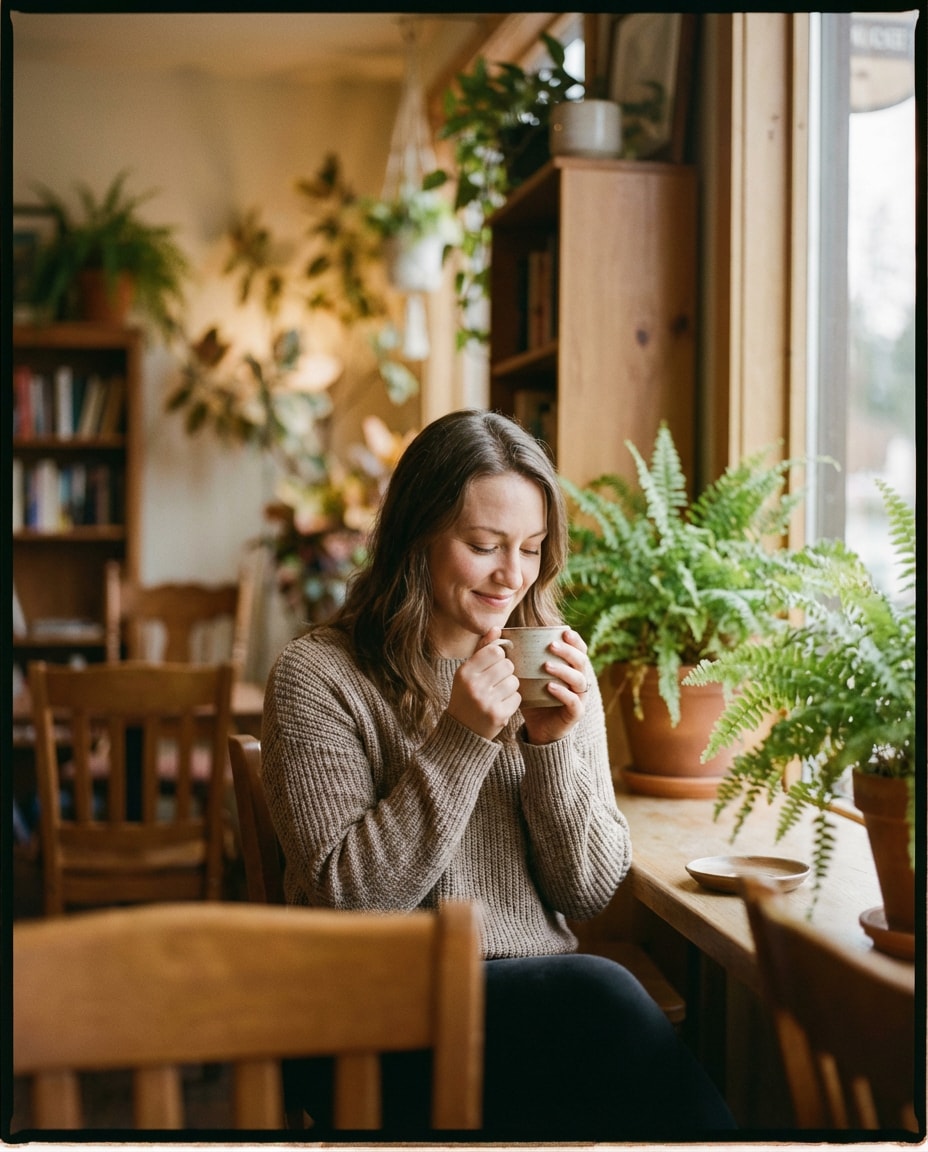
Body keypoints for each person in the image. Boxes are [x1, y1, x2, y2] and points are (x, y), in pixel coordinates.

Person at [262, 408, 736, 1141]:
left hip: (530, 1011)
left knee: (598, 1022)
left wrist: (553, 748)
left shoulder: (553, 668)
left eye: (531, 548)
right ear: (415, 537)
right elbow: (347, 907)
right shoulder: (319, 676)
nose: (511, 575)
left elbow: (586, 889)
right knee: (603, 1002)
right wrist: (462, 738)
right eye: (484, 545)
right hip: (368, 1019)